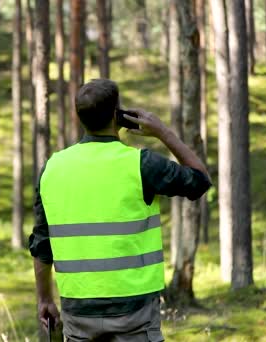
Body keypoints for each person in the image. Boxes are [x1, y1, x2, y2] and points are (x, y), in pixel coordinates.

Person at [29, 79, 211, 342]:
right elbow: (200, 180)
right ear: (118, 116)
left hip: (78, 314)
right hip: (135, 315)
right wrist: (163, 132)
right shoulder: (141, 164)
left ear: (80, 117)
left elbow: (41, 244)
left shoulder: (52, 169)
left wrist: (44, 299)